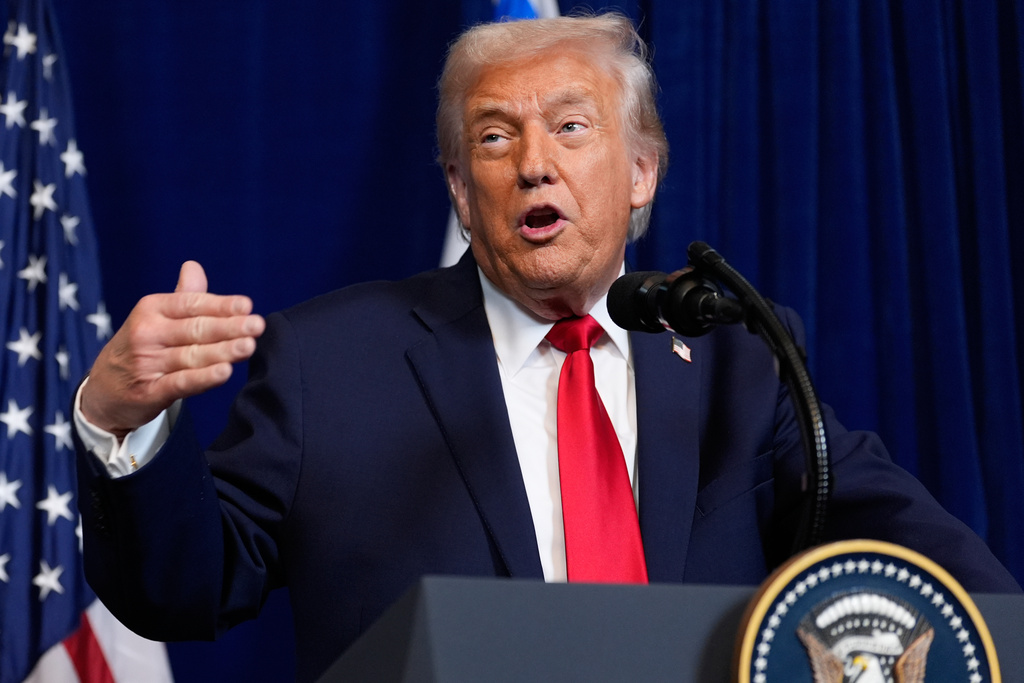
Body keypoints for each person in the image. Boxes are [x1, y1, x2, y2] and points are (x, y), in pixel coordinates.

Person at [73, 12, 1020, 683]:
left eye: (571, 127)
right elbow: (184, 590)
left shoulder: (735, 355)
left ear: (641, 172)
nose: (534, 161)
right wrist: (124, 423)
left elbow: (927, 558)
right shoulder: (331, 362)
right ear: (458, 186)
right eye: (494, 137)